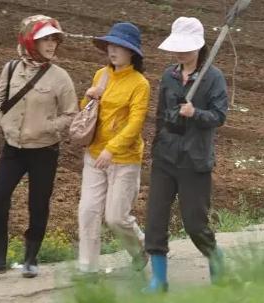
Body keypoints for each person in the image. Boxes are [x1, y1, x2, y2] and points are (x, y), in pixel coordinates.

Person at [0, 15, 78, 278]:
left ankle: (31, 259)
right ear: (30, 40)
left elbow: (70, 114)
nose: (51, 44)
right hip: (13, 149)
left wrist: (47, 127)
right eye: (45, 39)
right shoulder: (10, 69)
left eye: (55, 39)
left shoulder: (60, 77)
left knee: (38, 203)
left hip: (44, 150)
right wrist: (4, 123)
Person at [144, 16, 228, 292]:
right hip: (165, 158)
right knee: (155, 219)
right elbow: (159, 115)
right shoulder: (168, 76)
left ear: (199, 47)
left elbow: (219, 116)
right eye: (177, 48)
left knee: (195, 223)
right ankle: (159, 279)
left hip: (195, 160)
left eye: (186, 48)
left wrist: (195, 113)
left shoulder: (213, 78)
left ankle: (216, 259)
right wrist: (156, 147)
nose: (180, 53)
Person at [76, 22, 150, 274]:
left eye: (120, 46)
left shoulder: (140, 84)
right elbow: (87, 111)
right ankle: (88, 270)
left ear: (132, 53)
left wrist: (112, 148)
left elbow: (136, 122)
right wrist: (88, 96)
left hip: (124, 159)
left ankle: (140, 245)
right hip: (94, 156)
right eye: (111, 45)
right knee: (88, 212)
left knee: (116, 218)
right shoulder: (101, 75)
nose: (113, 50)